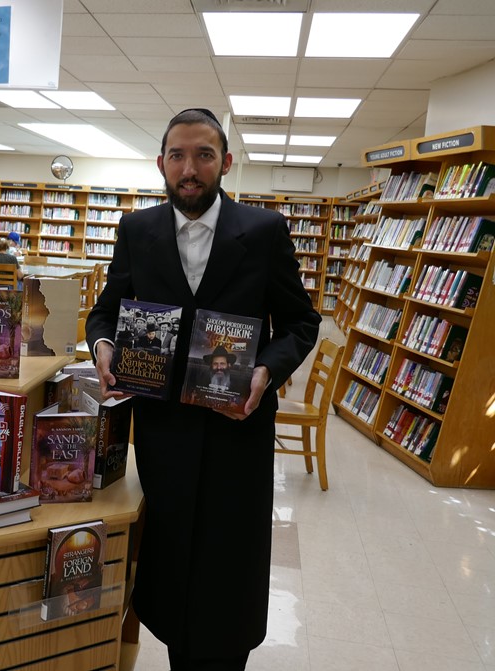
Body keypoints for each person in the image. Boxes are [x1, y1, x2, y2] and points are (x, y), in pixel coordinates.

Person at [85, 107, 321, 670]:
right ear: (161, 163)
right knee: (169, 563)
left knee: (228, 571)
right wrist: (104, 346)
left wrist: (266, 371)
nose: (189, 169)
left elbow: (300, 322)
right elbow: (106, 311)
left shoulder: (263, 231)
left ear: (226, 162)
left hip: (237, 432)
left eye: (204, 155)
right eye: (178, 155)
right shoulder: (137, 230)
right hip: (163, 436)